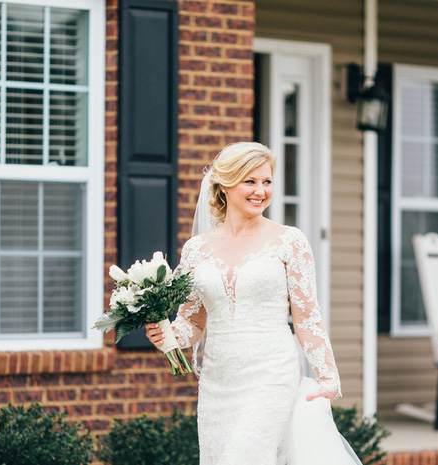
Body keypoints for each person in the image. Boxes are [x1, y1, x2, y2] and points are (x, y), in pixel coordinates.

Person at [146, 142, 357, 465]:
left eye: (267, 182)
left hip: (271, 373)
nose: (261, 191)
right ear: (225, 185)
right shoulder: (196, 250)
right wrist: (168, 336)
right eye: (251, 181)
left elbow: (306, 317)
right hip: (218, 381)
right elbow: (193, 321)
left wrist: (328, 377)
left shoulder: (289, 241)